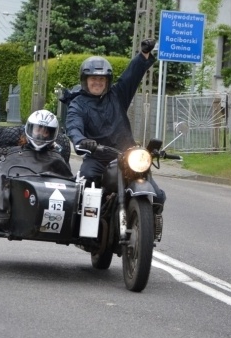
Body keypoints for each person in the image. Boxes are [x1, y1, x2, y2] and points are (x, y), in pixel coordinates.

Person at [62, 39, 166, 211]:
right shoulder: (78, 104)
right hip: (98, 158)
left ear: (107, 81)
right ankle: (86, 225)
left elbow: (131, 76)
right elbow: (73, 126)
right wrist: (81, 140)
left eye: (101, 79)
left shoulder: (117, 95)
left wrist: (144, 54)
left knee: (157, 196)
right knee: (86, 179)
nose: (98, 82)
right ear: (85, 80)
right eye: (93, 78)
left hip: (127, 156)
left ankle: (149, 230)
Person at [0, 110, 73, 222]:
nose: (40, 134)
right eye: (38, 129)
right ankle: (2, 215)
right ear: (29, 129)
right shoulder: (14, 153)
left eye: (46, 132)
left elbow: (69, 182)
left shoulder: (57, 158)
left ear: (52, 134)